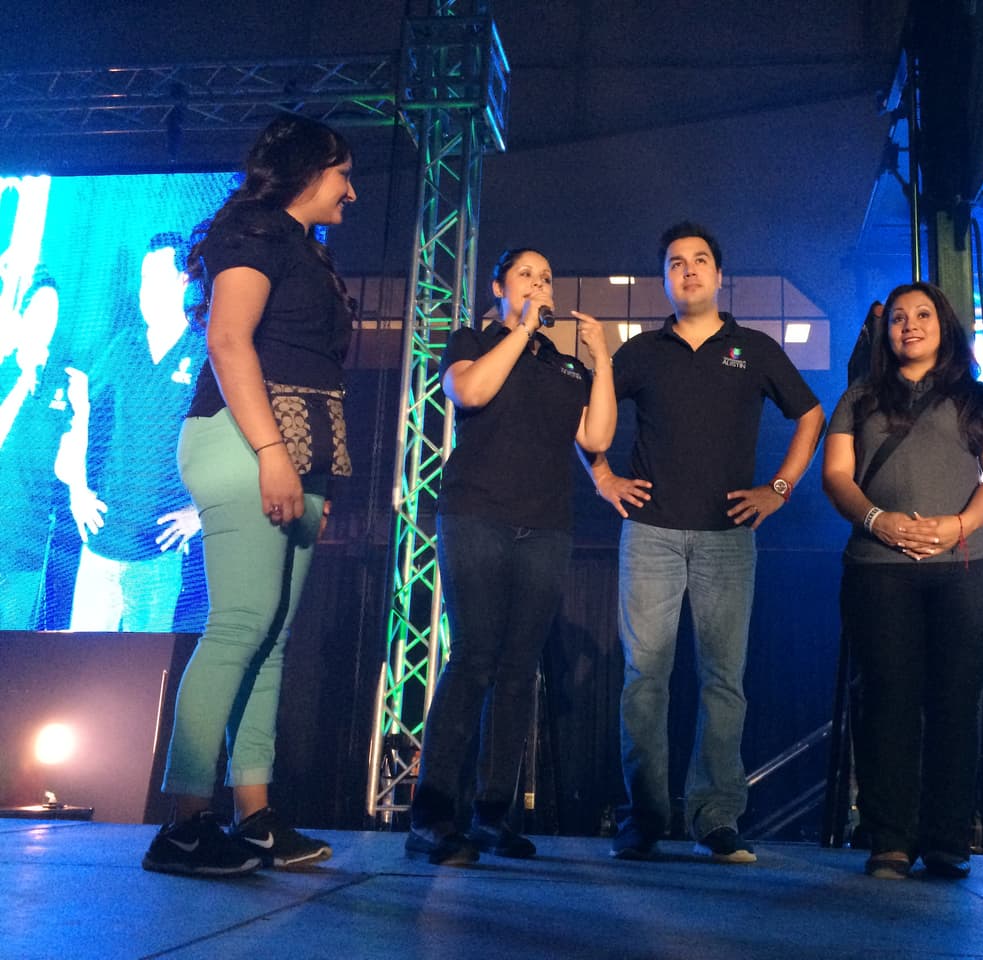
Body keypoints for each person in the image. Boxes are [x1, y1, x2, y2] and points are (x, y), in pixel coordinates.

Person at [142, 113, 358, 877]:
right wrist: (272, 454)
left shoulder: (301, 245)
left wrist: (312, 473)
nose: (353, 192)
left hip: (298, 456)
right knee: (239, 627)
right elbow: (229, 340)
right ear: (306, 170)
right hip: (244, 442)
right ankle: (183, 826)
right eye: (343, 175)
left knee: (271, 637)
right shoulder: (255, 230)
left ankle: (256, 817)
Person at [587, 221, 825, 862]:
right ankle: (644, 817)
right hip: (650, 534)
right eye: (675, 262)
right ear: (664, 279)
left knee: (724, 680)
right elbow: (589, 418)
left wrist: (779, 488)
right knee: (645, 679)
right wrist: (602, 476)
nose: (688, 270)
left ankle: (716, 817)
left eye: (699, 261)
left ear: (720, 276)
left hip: (727, 538)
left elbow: (810, 414)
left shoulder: (753, 348)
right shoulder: (641, 350)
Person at [404, 248, 616, 865]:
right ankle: (432, 815)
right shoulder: (473, 339)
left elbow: (596, 436)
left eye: (547, 277)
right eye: (526, 274)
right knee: (474, 657)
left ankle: (493, 814)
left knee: (520, 669)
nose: (540, 284)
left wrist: (601, 360)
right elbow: (469, 391)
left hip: (546, 525)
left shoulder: (565, 364)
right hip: (477, 514)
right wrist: (521, 330)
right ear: (498, 286)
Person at [822, 282, 983, 879]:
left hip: (970, 569)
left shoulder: (980, 398)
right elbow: (836, 475)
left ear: (944, 325)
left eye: (923, 314)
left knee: (957, 703)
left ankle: (948, 840)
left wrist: (958, 525)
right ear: (884, 333)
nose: (909, 325)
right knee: (887, 701)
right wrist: (877, 521)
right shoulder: (858, 398)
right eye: (899, 317)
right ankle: (889, 839)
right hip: (878, 571)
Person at [56, 233, 205, 631]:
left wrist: (201, 512)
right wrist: (77, 491)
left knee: (145, 663)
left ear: (183, 282)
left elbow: (234, 445)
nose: (144, 291)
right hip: (100, 545)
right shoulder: (124, 346)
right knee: (82, 662)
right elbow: (79, 414)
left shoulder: (203, 354)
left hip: (158, 556)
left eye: (155, 278)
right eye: (142, 279)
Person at [0, 270, 66, 628]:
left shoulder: (63, 381)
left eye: (52, 314)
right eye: (39, 310)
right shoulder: (4, 369)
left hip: (28, 545)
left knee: (13, 643)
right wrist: (20, 383)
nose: (45, 322)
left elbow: (63, 463)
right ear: (23, 315)